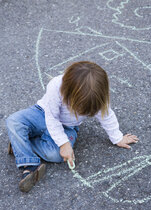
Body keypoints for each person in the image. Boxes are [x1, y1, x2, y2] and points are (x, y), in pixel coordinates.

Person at [6, 61, 139, 192]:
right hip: (42, 114)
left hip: (67, 127)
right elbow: (51, 118)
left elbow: (107, 115)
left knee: (56, 156)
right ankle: (30, 164)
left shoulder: (97, 95)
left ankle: (21, 144)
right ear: (68, 91)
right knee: (13, 121)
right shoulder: (56, 86)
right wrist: (64, 143)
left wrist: (117, 138)